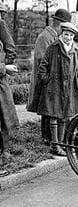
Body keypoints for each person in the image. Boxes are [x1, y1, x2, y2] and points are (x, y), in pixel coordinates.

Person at [36, 22, 78, 155]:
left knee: (63, 117)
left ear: (73, 37)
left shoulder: (75, 50)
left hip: (68, 88)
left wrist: (77, 71)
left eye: (71, 35)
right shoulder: (53, 48)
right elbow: (43, 66)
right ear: (62, 34)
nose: (68, 38)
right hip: (54, 86)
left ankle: (61, 144)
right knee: (54, 116)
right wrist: (47, 79)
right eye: (66, 34)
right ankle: (54, 145)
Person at [27, 9, 72, 146]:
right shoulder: (45, 37)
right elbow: (42, 60)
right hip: (45, 80)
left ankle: (52, 139)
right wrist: (48, 78)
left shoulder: (54, 36)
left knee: (51, 109)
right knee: (47, 109)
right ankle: (47, 138)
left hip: (53, 80)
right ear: (59, 24)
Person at [0, 3, 19, 177]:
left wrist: (6, 64)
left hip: (0, 80)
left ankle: (5, 149)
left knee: (4, 114)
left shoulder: (1, 25)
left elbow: (10, 47)